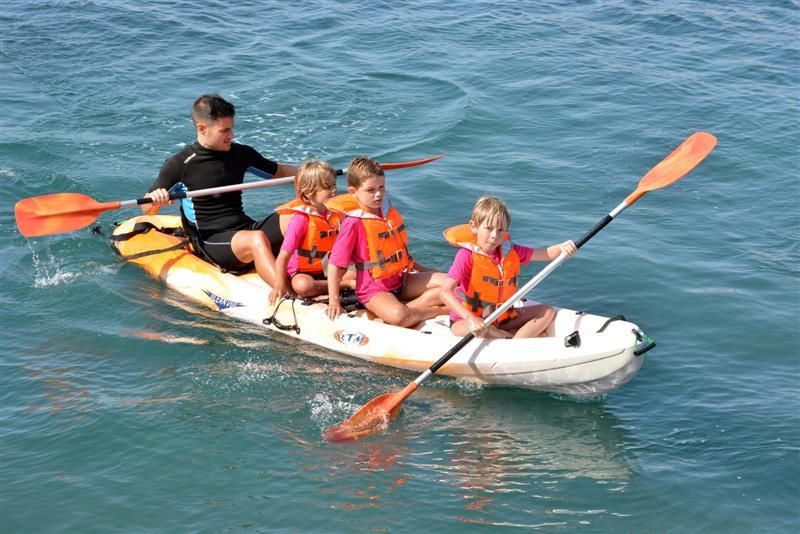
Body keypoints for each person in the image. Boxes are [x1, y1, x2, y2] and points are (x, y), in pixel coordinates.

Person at [144, 93, 297, 286]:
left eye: (231, 129)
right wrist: (155, 199)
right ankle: (289, 295)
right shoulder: (180, 164)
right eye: (224, 131)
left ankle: (321, 272)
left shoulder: (240, 154)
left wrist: (311, 174)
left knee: (298, 215)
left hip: (245, 229)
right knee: (256, 239)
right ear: (202, 128)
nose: (231, 135)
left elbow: (281, 170)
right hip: (212, 243)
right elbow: (146, 208)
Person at [325, 156, 447, 327]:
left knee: (451, 283)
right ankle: (437, 311)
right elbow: (335, 265)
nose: (378, 194)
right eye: (371, 190)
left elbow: (400, 251)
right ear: (353, 192)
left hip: (401, 280)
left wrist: (424, 270)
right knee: (399, 316)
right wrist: (334, 301)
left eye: (382, 187)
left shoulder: (385, 212)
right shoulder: (353, 223)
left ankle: (406, 308)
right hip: (373, 290)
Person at [440, 195, 577, 339]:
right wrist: (470, 319)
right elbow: (445, 292)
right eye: (489, 228)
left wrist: (564, 248)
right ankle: (511, 339)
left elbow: (546, 254)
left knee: (547, 311)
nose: (494, 236)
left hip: (502, 318)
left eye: (500, 230)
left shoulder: (511, 251)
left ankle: (515, 340)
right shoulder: (466, 255)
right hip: (468, 322)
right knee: (484, 329)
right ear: (474, 227)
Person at [268, 160, 355, 305]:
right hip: (304, 272)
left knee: (360, 272)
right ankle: (346, 286)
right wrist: (278, 284)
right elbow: (283, 256)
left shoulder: (336, 213)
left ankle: (331, 288)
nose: (334, 190)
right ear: (308, 193)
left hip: (331, 269)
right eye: (327, 187)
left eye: (334, 184)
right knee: (302, 286)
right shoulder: (301, 220)